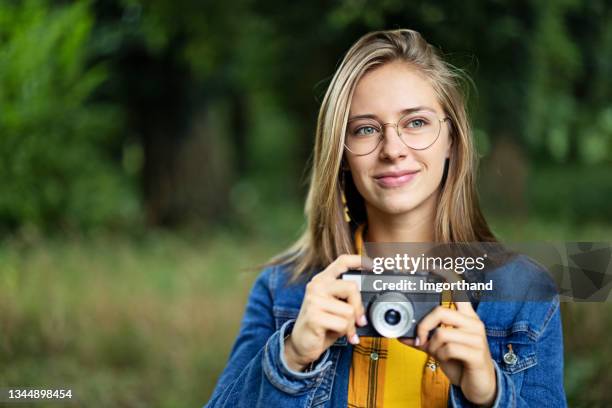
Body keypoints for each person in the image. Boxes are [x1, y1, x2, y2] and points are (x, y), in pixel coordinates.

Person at [205, 29, 566, 407]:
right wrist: (291, 358)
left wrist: (489, 393)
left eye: (416, 122)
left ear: (452, 141)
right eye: (365, 129)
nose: (393, 150)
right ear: (341, 154)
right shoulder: (282, 290)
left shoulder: (525, 292)